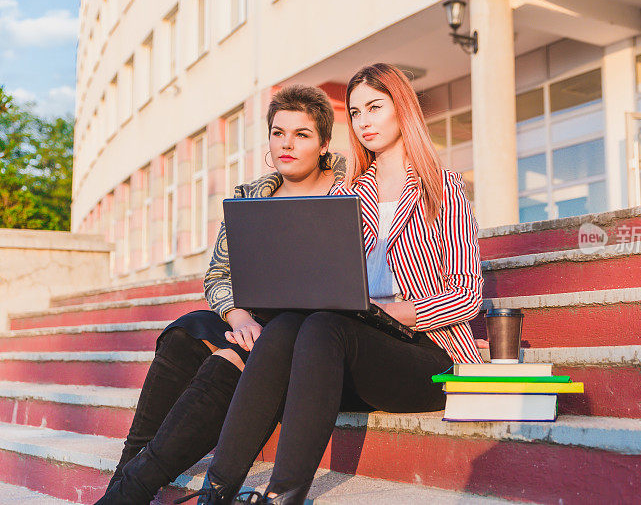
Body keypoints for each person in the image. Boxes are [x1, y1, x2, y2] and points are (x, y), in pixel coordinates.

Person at [188, 63, 484, 505]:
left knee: (325, 325)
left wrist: (388, 314)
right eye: (357, 111)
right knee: (289, 325)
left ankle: (281, 497)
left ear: (402, 110)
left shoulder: (441, 189)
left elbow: (467, 296)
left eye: (375, 107)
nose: (364, 121)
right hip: (347, 352)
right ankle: (217, 492)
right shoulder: (345, 194)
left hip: (426, 356)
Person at [96, 84, 345, 504]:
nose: (286, 143)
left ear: (323, 143)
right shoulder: (251, 196)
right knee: (184, 332)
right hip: (251, 316)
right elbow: (218, 274)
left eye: (301, 134)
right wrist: (237, 316)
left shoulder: (350, 194)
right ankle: (124, 479)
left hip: (306, 328)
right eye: (278, 132)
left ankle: (128, 491)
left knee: (228, 361)